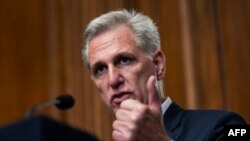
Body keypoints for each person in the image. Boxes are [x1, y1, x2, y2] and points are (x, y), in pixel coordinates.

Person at [81, 9, 246, 141]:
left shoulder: (227, 126)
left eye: (124, 60)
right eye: (100, 69)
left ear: (158, 65)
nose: (112, 80)